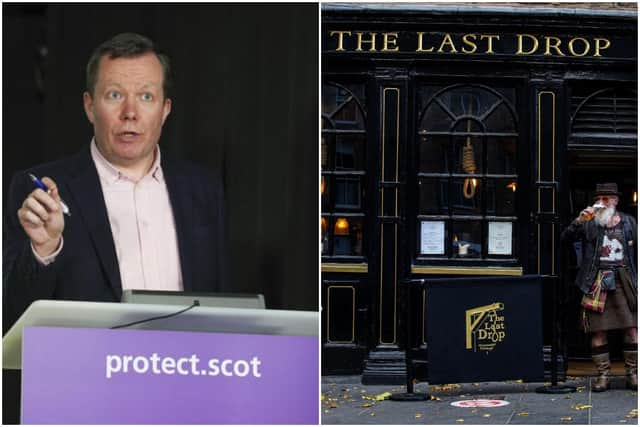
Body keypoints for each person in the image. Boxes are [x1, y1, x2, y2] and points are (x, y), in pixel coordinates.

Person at [3, 33, 227, 332]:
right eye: (114, 95)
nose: (130, 114)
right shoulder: (41, 193)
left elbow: (225, 306)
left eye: (146, 96)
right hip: (86, 372)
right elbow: (13, 314)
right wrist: (44, 249)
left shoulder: (202, 190)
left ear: (166, 109)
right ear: (89, 106)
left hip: (185, 369)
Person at [561, 183, 637, 392]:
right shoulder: (589, 222)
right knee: (598, 331)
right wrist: (578, 221)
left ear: (616, 200)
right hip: (596, 281)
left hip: (624, 279)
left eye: (607, 198)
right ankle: (603, 375)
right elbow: (565, 239)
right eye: (600, 198)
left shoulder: (629, 222)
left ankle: (633, 373)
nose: (603, 202)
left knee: (632, 330)